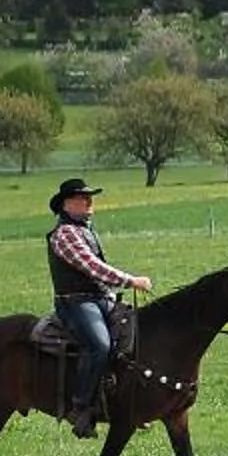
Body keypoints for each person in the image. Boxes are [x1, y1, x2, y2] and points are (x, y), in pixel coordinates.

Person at [47, 177, 154, 438]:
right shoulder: (65, 234)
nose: (89, 201)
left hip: (100, 299)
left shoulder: (84, 229)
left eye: (89, 197)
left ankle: (125, 402)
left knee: (133, 336)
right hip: (76, 302)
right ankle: (80, 408)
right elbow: (93, 267)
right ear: (67, 204)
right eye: (82, 197)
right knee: (100, 346)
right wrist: (130, 280)